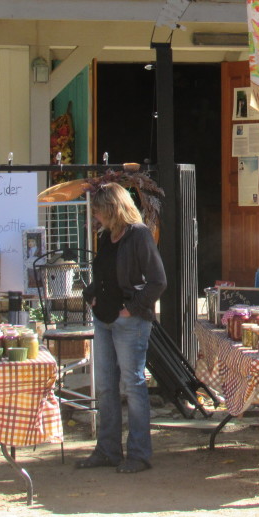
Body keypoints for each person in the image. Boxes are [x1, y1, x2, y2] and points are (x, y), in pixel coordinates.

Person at [77, 183, 166, 473]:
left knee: (133, 385)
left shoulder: (139, 235)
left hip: (129, 320)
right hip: (104, 317)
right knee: (105, 386)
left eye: (100, 211)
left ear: (113, 209)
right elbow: (104, 274)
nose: (96, 216)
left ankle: (139, 454)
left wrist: (132, 308)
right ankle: (108, 450)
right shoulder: (107, 236)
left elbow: (158, 281)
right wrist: (90, 295)